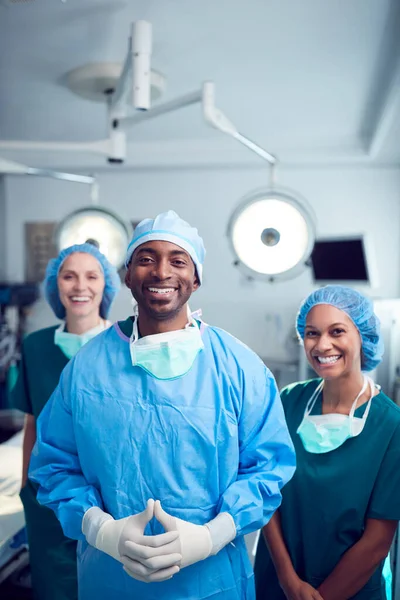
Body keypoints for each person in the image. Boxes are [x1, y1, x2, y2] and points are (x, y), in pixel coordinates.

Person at [28, 210, 296, 600]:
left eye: (177, 260)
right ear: (127, 275)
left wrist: (210, 535)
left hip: (211, 582)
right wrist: (101, 529)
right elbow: (54, 465)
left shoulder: (239, 367)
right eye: (146, 259)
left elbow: (268, 467)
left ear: (196, 277)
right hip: (110, 581)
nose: (161, 272)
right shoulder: (86, 368)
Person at [254, 285, 400, 600]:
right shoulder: (289, 400)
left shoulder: (391, 425)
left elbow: (377, 540)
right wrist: (288, 581)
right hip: (277, 584)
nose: (322, 345)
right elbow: (267, 493)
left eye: (337, 331)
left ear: (363, 336)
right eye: (311, 333)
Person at [12, 242, 121, 600]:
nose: (80, 286)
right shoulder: (36, 346)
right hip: (49, 498)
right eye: (69, 276)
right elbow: (33, 420)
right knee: (56, 587)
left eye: (92, 276)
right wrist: (30, 487)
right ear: (55, 284)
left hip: (111, 499)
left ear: (106, 285)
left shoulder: (121, 344)